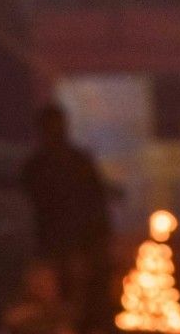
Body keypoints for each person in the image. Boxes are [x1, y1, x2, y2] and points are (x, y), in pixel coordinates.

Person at [20, 104, 113, 309]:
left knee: (81, 294)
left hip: (80, 242)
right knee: (52, 297)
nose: (55, 130)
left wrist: (98, 239)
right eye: (50, 126)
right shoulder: (37, 166)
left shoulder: (78, 162)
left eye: (57, 125)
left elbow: (95, 201)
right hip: (50, 242)